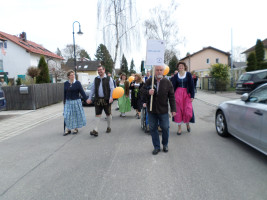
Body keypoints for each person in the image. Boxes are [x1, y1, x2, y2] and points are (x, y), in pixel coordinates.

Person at [141, 65, 176, 155]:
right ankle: (156, 146)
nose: (159, 72)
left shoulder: (167, 82)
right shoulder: (149, 81)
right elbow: (142, 91)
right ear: (154, 71)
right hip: (152, 110)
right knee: (153, 128)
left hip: (163, 110)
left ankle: (165, 144)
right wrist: (148, 92)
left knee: (165, 127)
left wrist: (173, 109)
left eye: (161, 70)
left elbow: (171, 97)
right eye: (157, 70)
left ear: (163, 71)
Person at [87, 65, 114, 136]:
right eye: (98, 70)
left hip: (106, 99)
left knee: (108, 114)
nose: (99, 71)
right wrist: (90, 98)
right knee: (97, 114)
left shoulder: (109, 78)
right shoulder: (96, 79)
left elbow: (112, 88)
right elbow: (92, 89)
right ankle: (95, 129)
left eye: (100, 70)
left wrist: (111, 97)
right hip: (98, 99)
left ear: (104, 70)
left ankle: (108, 127)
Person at [172, 61, 195, 135]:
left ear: (185, 67)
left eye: (182, 66)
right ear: (178, 68)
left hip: (186, 94)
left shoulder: (188, 74)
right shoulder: (176, 76)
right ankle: (179, 128)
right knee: (178, 111)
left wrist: (192, 96)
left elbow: (192, 86)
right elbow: (173, 86)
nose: (180, 67)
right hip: (178, 94)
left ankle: (187, 124)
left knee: (187, 110)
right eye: (179, 66)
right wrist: (171, 96)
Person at [63, 70, 88, 136]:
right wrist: (64, 101)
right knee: (67, 115)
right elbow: (65, 93)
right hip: (68, 102)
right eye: (71, 75)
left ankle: (75, 128)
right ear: (68, 76)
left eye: (73, 75)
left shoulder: (77, 83)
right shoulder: (66, 83)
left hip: (76, 101)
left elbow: (82, 92)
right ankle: (68, 129)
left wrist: (86, 99)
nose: (73, 76)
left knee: (75, 115)